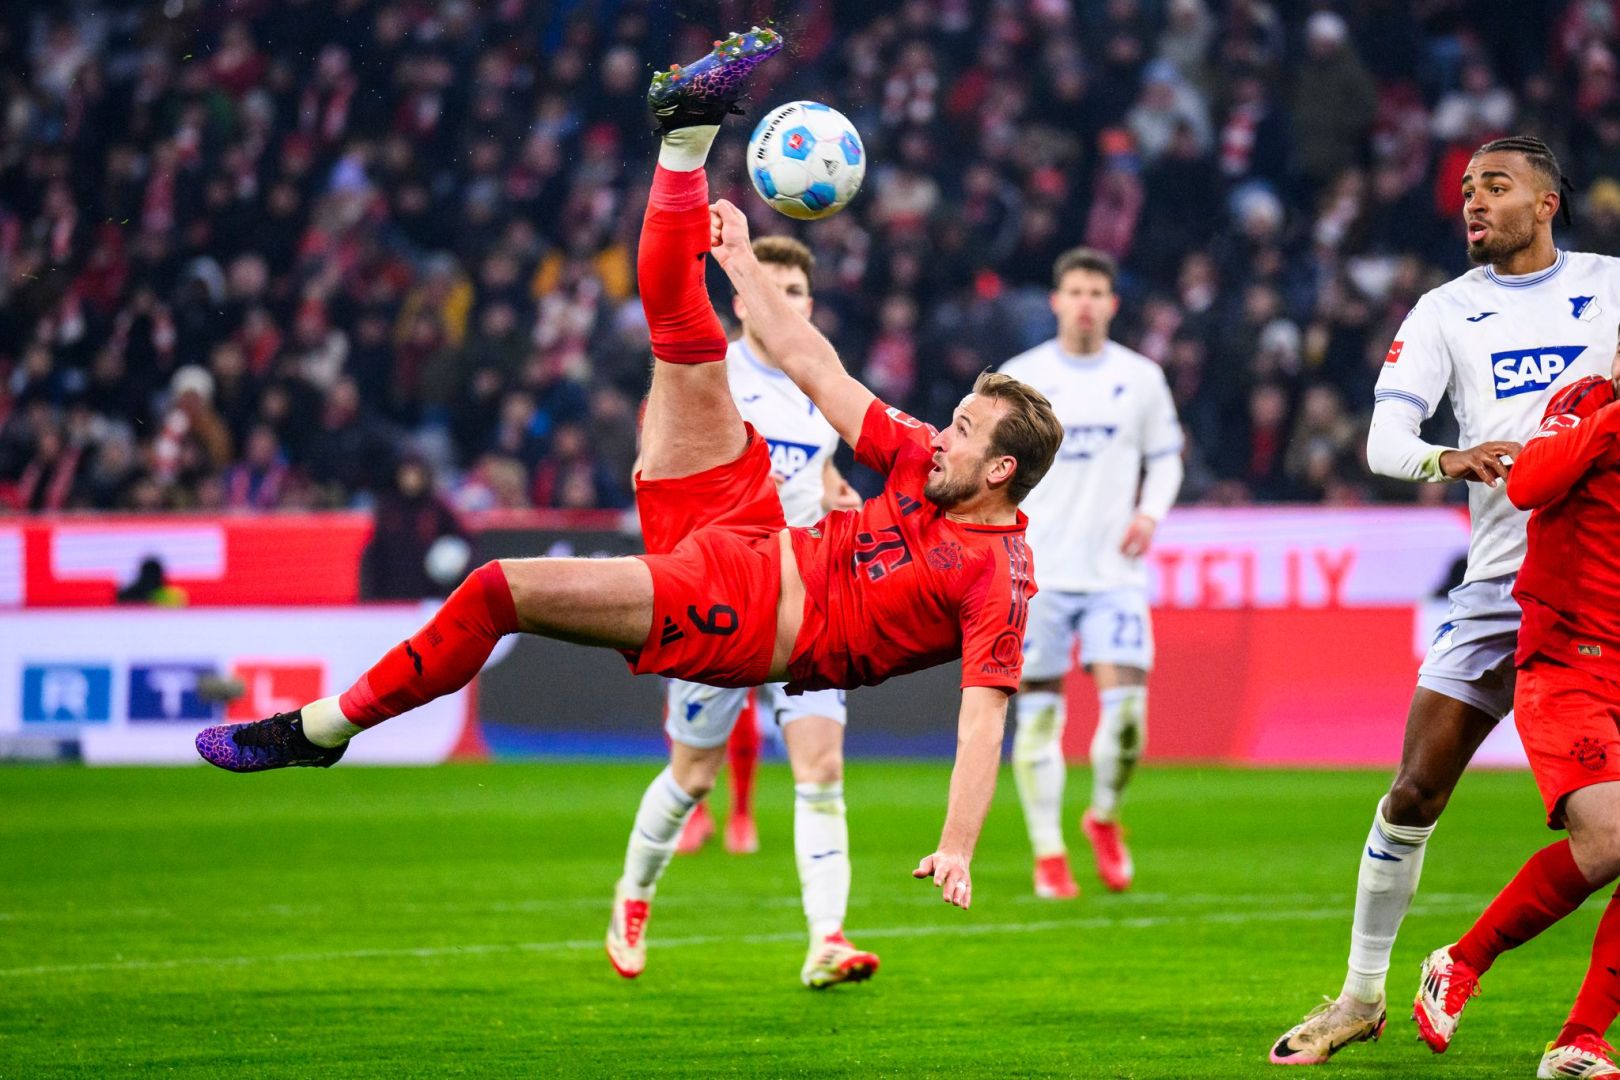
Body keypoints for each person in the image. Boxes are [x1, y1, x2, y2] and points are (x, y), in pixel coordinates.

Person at [195, 27, 1063, 926]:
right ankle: (685, 133)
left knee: (499, 589)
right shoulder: (928, 464)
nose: (941, 435)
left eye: (962, 431)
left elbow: (983, 720)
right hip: (756, 528)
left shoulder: (997, 577)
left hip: (745, 615)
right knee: (686, 331)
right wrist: (741, 270)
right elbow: (818, 367)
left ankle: (320, 731)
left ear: (1001, 469)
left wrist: (957, 844)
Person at [1271, 134, 1620, 1065]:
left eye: (1495, 187)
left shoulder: (1610, 286)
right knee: (1417, 788)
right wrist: (1447, 456)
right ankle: (1358, 996)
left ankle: (1581, 1032)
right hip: (1504, 585)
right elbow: (1384, 441)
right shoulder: (1445, 313)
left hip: (1606, 587)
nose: (1473, 202)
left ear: (1546, 203)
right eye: (1467, 189)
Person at [610, 234, 875, 988]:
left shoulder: (822, 386)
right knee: (691, 774)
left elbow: (816, 470)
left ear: (810, 306)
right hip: (720, 600)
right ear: (740, 297)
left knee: (822, 767)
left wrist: (833, 492)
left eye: (796, 292)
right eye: (769, 286)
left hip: (807, 603)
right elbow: (655, 458)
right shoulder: (711, 376)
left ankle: (827, 938)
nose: (783, 301)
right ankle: (633, 894)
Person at [1410, 359, 1620, 1080]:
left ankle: (1580, 1039)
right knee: (1613, 839)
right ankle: (1461, 961)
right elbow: (1527, 486)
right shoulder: (1587, 402)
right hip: (1572, 662)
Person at [997, 248, 1183, 898]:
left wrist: (1150, 514)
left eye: (1095, 292)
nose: (1084, 302)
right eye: (1073, 290)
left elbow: (1166, 459)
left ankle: (1103, 816)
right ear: (1055, 300)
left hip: (1115, 572)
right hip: (1036, 572)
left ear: (1112, 303)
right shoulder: (1020, 381)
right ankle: (1049, 853)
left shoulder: (1141, 378)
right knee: (1040, 719)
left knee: (1127, 718)